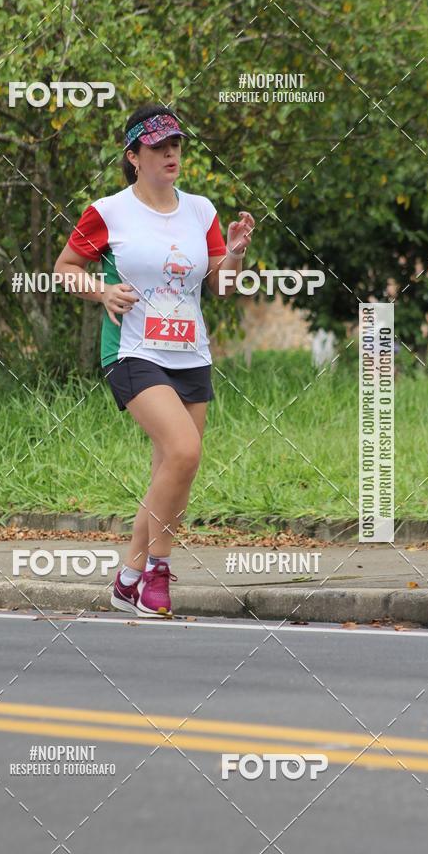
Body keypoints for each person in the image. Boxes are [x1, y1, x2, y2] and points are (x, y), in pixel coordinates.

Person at [54, 102, 254, 617]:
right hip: (132, 351)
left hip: (191, 353)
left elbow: (222, 287)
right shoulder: (108, 212)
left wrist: (234, 253)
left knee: (172, 470)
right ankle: (157, 574)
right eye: (158, 146)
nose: (171, 154)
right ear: (133, 156)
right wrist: (101, 291)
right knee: (185, 451)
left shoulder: (201, 211)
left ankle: (127, 579)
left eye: (176, 145)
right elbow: (64, 269)